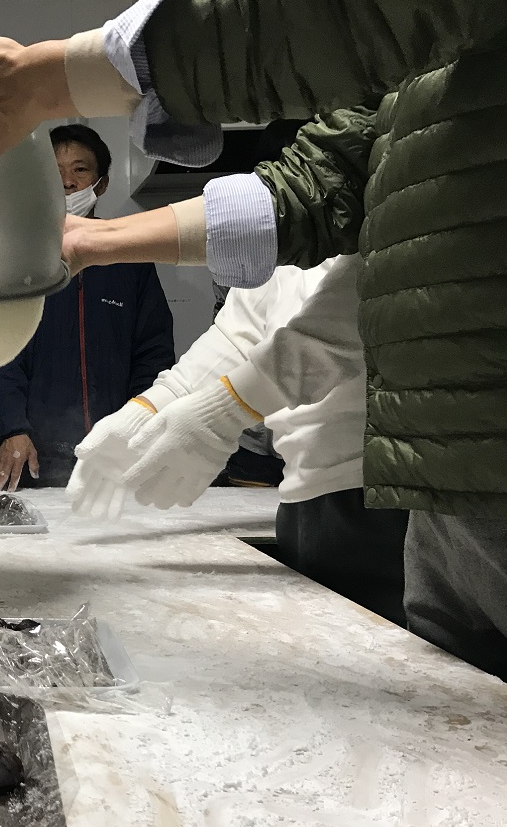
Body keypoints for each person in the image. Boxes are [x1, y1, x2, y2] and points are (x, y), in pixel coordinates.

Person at [0, 0, 507, 680]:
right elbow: (304, 203)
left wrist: (41, 82)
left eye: (79, 175)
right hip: (415, 486)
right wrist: (145, 391)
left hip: (401, 477)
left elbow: (382, 274)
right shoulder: (403, 108)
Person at [130, 256, 407, 621]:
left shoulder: (364, 238)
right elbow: (237, 331)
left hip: (385, 492)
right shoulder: (280, 259)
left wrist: (227, 409)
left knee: (395, 648)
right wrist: (152, 405)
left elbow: (351, 311)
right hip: (303, 497)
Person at [0, 124, 172, 490]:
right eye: (55, 172)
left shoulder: (129, 255)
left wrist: (139, 423)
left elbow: (153, 350)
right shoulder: (17, 259)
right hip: (35, 454)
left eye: (80, 170)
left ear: (101, 184)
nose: (67, 182)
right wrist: (13, 427)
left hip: (114, 451)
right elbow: (0, 354)